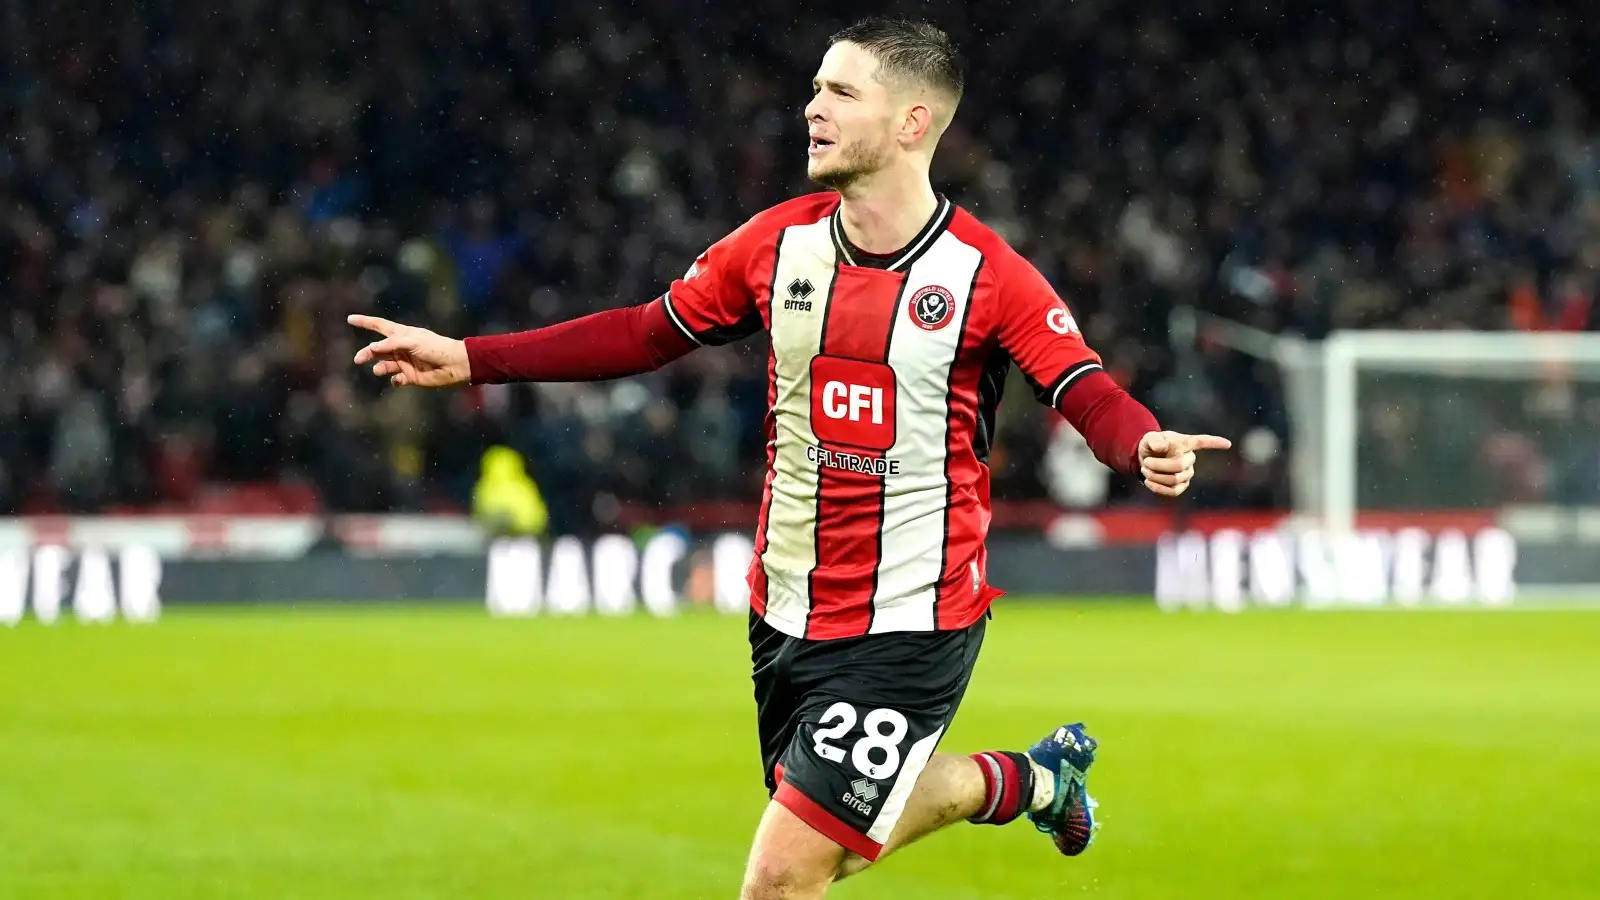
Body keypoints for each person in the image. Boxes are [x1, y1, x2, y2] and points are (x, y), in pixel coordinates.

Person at [348, 17, 1230, 899]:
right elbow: (647, 332)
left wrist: (1140, 440)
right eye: (815, 89)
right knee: (844, 838)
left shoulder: (985, 275)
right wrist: (473, 358)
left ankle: (1025, 783)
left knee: (782, 874)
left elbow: (1081, 384)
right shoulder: (776, 244)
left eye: (842, 92)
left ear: (913, 123)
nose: (812, 109)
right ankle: (1031, 781)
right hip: (787, 606)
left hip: (911, 617)